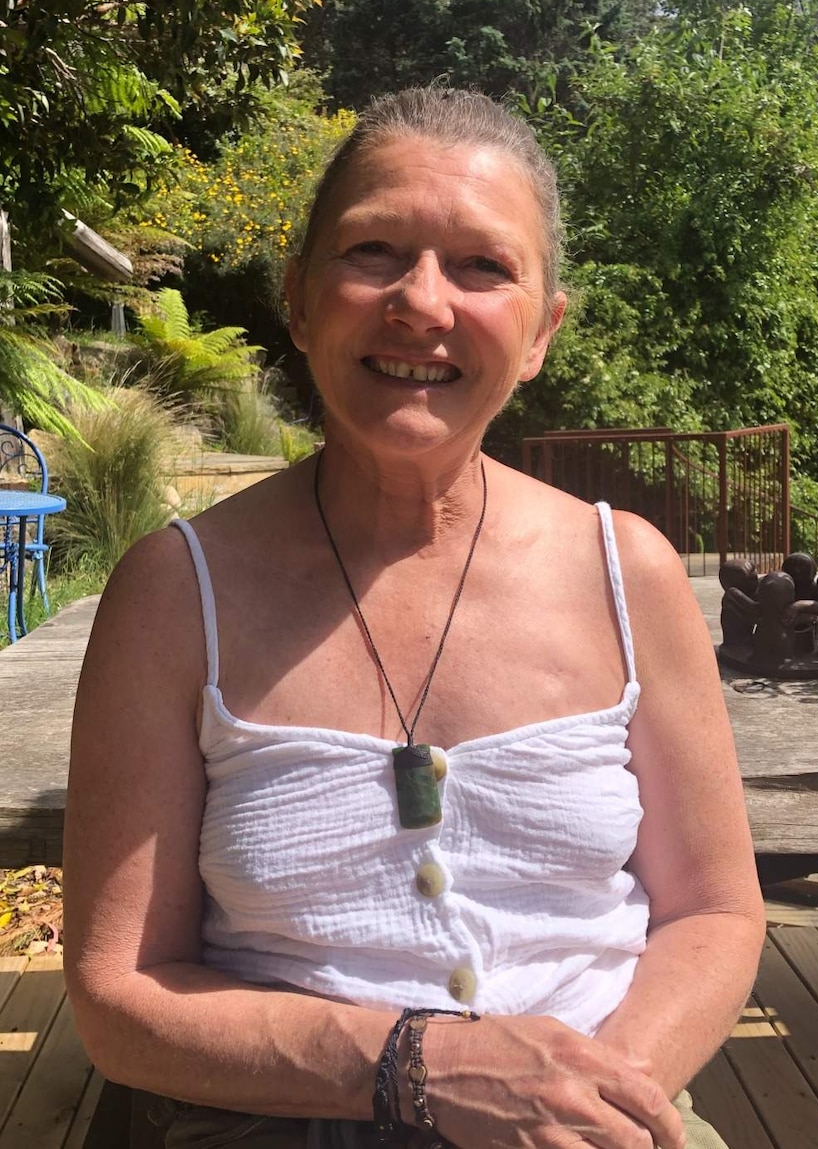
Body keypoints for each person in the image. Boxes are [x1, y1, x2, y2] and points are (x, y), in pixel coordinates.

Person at [63, 88, 765, 1149]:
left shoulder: (631, 575)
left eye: (483, 267)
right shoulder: (175, 595)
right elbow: (121, 1000)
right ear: (299, 300)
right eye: (374, 251)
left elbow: (713, 915)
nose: (423, 304)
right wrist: (424, 1069)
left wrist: (586, 1100)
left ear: (540, 332)